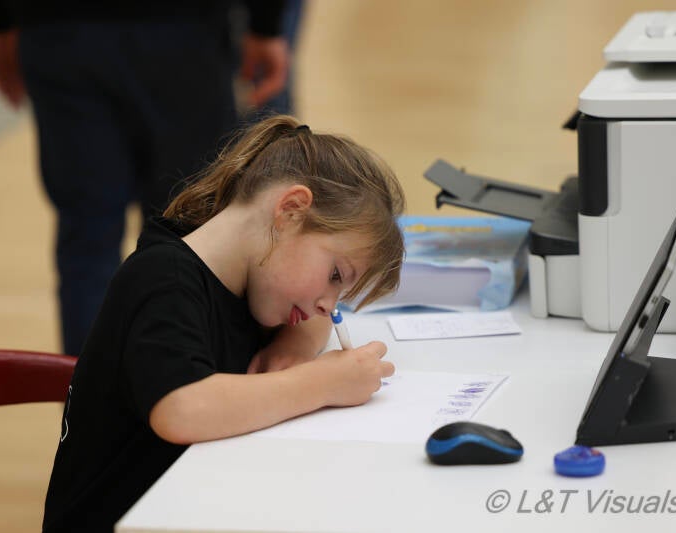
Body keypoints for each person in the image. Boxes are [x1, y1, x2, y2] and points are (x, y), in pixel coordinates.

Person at [41, 115, 405, 531]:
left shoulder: (254, 273)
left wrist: (294, 345)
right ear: (290, 211)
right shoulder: (164, 279)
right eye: (335, 276)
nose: (328, 308)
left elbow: (312, 319)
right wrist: (323, 382)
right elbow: (181, 409)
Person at [0, 0, 290, 356]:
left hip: (61, 33)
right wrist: (266, 24)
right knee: (188, 229)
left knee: (88, 241)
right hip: (183, 34)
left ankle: (88, 389)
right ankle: (180, 380)